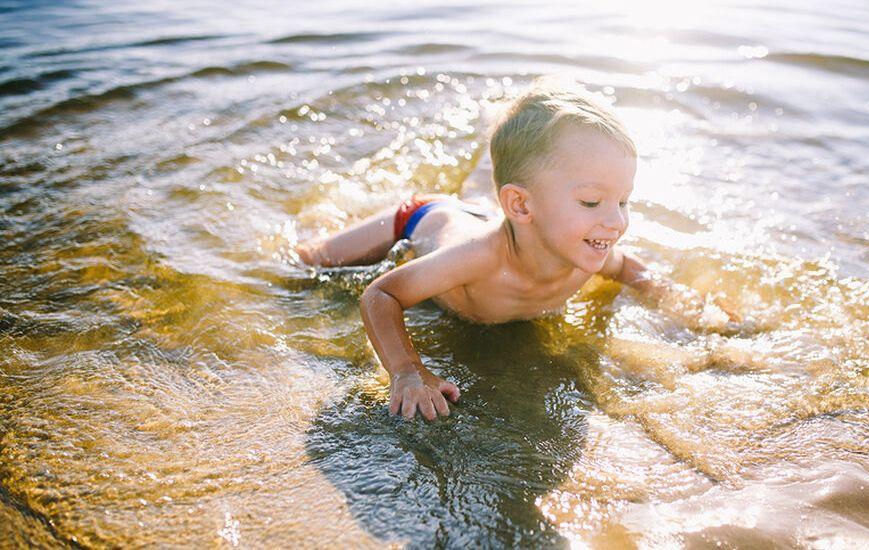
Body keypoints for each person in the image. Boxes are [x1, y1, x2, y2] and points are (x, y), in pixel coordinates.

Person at [297, 78, 739, 421]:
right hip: (420, 219)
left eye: (623, 201)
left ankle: (492, 159)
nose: (617, 221)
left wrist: (688, 306)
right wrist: (408, 372)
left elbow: (632, 271)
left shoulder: (589, 248)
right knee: (306, 263)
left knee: (488, 198)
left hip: (497, 212)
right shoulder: (480, 259)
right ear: (522, 205)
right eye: (592, 202)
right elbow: (382, 295)